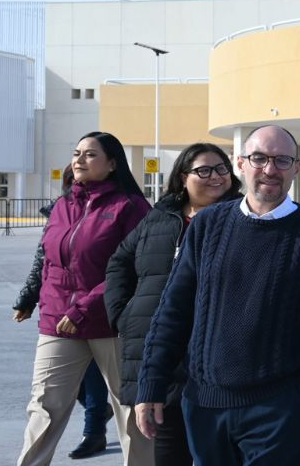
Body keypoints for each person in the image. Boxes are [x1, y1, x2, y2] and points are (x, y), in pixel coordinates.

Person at [134, 125, 300, 466]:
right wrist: (151, 384)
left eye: (282, 160)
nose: (270, 169)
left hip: (277, 409)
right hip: (205, 407)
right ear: (240, 163)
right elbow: (172, 312)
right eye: (259, 158)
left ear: (296, 166)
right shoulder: (207, 225)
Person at [17, 132, 153, 466]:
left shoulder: (131, 207)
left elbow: (134, 269)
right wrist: (36, 300)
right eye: (77, 152)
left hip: (112, 322)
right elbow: (47, 262)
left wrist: (85, 307)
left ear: (111, 164)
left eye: (90, 154)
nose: (79, 159)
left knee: (130, 410)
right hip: (58, 322)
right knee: (43, 408)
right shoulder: (63, 206)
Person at [105, 143, 242, 466]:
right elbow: (118, 263)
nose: (215, 177)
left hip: (216, 358)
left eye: (221, 169)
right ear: (182, 177)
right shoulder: (159, 218)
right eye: (203, 170)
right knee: (168, 453)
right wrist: (124, 316)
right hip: (161, 358)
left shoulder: (241, 218)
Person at [14, 165, 115, 460]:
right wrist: (28, 298)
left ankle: (94, 432)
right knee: (58, 391)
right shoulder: (60, 212)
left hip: (102, 314)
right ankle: (98, 416)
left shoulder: (120, 209)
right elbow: (42, 262)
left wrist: (90, 304)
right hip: (60, 314)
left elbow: (123, 266)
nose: (75, 182)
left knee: (95, 379)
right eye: (70, 179)